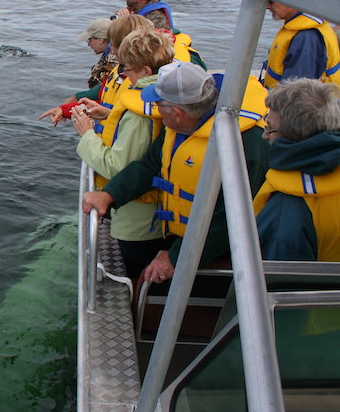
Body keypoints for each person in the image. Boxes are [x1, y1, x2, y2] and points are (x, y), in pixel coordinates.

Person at [82, 62, 269, 283]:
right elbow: (150, 165)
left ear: (178, 113)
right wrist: (110, 194)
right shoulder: (180, 126)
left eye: (158, 104)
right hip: (183, 236)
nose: (155, 110)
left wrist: (175, 256)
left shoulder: (245, 146)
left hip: (229, 252)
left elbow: (228, 220)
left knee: (147, 282)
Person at [69, 27, 175, 282]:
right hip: (159, 215)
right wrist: (108, 114)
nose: (124, 76)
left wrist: (86, 135)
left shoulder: (139, 115)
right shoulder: (164, 97)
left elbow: (117, 167)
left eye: (127, 69)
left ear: (146, 71)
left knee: (135, 275)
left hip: (139, 223)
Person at [253, 78, 340, 261]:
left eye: (269, 129)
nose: (263, 135)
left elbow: (280, 283)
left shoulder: (286, 212)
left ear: (291, 139)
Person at [40, 15, 155, 122]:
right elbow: (106, 106)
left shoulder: (137, 80)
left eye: (114, 44)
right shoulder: (120, 71)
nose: (113, 50)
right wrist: (65, 110)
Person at [263, 2, 340, 89]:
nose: (267, 6)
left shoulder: (306, 37)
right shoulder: (302, 25)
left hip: (293, 100)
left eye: (271, 1)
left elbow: (297, 94)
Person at [77, 18, 119, 90]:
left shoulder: (113, 59)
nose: (88, 44)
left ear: (100, 40)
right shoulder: (110, 52)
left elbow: (101, 88)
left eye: (89, 39)